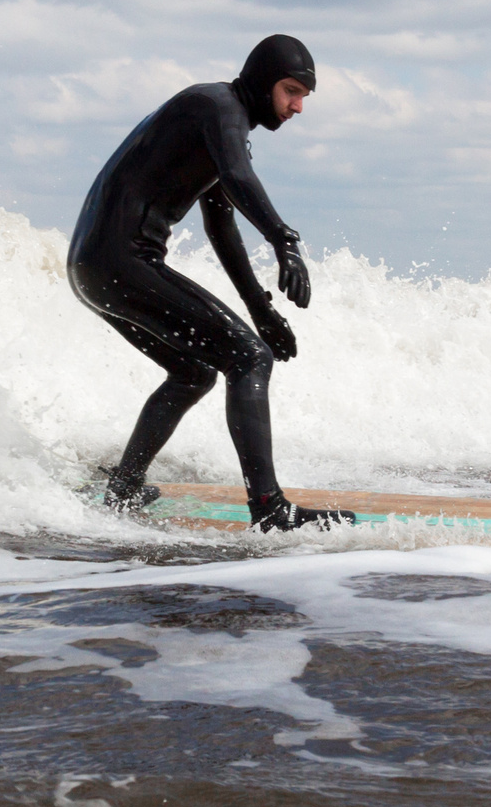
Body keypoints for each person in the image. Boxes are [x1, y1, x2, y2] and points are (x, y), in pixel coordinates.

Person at [69, 34, 353, 533]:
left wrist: (261, 309)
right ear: (263, 83)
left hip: (95, 267)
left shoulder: (218, 120)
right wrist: (284, 239)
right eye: (291, 91)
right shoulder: (217, 107)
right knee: (249, 358)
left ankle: (124, 488)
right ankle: (270, 508)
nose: (298, 107)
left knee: (194, 372)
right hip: (121, 260)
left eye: (304, 96)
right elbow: (239, 177)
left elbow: (221, 225)